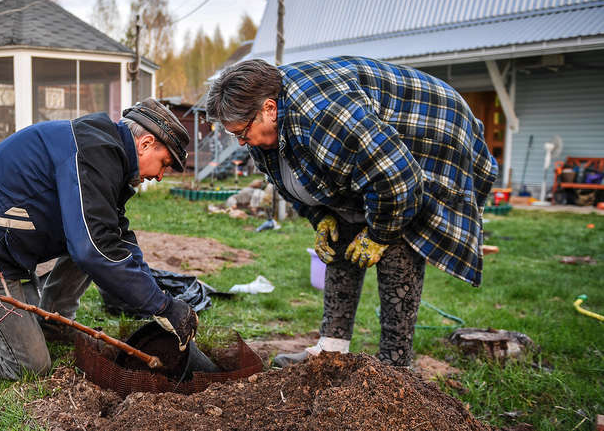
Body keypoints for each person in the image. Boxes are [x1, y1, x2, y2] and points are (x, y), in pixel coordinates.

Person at [206, 56, 497, 367]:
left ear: (269, 109)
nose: (240, 142)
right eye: (234, 134)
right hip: (378, 149)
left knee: (398, 240)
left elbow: (398, 178)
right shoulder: (268, 131)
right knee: (340, 234)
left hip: (434, 128)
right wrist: (321, 216)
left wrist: (379, 234)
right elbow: (294, 180)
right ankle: (331, 350)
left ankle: (396, 364)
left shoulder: (323, 116)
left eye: (242, 132)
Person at [0, 99, 199, 379]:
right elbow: (92, 250)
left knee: (95, 239)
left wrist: (162, 300)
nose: (160, 175)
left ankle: (55, 323)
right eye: (164, 163)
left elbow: (112, 237)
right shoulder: (94, 153)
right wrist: (161, 306)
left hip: (4, 248)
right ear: (146, 144)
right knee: (28, 364)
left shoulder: (104, 155)